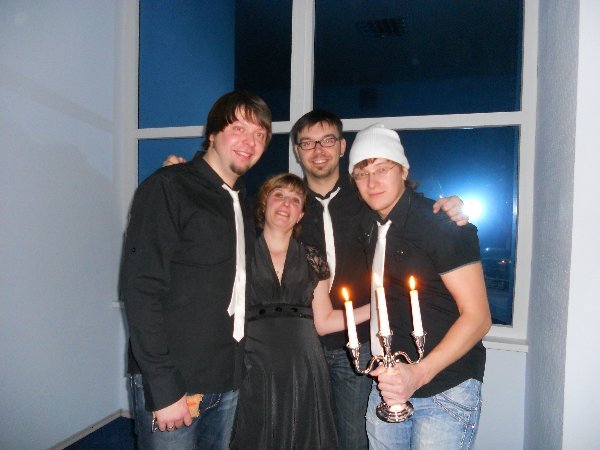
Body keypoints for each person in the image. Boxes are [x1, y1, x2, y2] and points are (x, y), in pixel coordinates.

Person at [164, 109, 467, 449]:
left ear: (342, 147)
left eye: (327, 141)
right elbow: (218, 212)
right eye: (307, 143)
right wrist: (186, 176)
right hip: (297, 343)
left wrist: (447, 207)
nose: (318, 150)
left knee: (352, 438)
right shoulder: (287, 204)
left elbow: (401, 198)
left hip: (357, 345)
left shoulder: (366, 196)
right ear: (297, 151)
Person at [119, 90, 272, 449]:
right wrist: (163, 387)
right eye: (238, 128)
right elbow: (140, 289)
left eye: (260, 134)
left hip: (226, 379)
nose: (250, 142)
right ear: (213, 134)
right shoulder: (168, 187)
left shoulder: (242, 202)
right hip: (176, 383)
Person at [347, 123, 492, 449]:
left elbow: (479, 318)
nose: (372, 182)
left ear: (403, 170)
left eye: (382, 169)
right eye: (361, 173)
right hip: (388, 386)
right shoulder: (370, 224)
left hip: (444, 387)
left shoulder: (440, 224)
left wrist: (418, 374)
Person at [229, 173, 370, 449]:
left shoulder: (312, 256)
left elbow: (325, 321)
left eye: (295, 200)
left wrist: (376, 309)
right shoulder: (240, 252)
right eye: (279, 195)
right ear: (264, 204)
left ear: (301, 215)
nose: (286, 204)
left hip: (305, 364)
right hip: (253, 361)